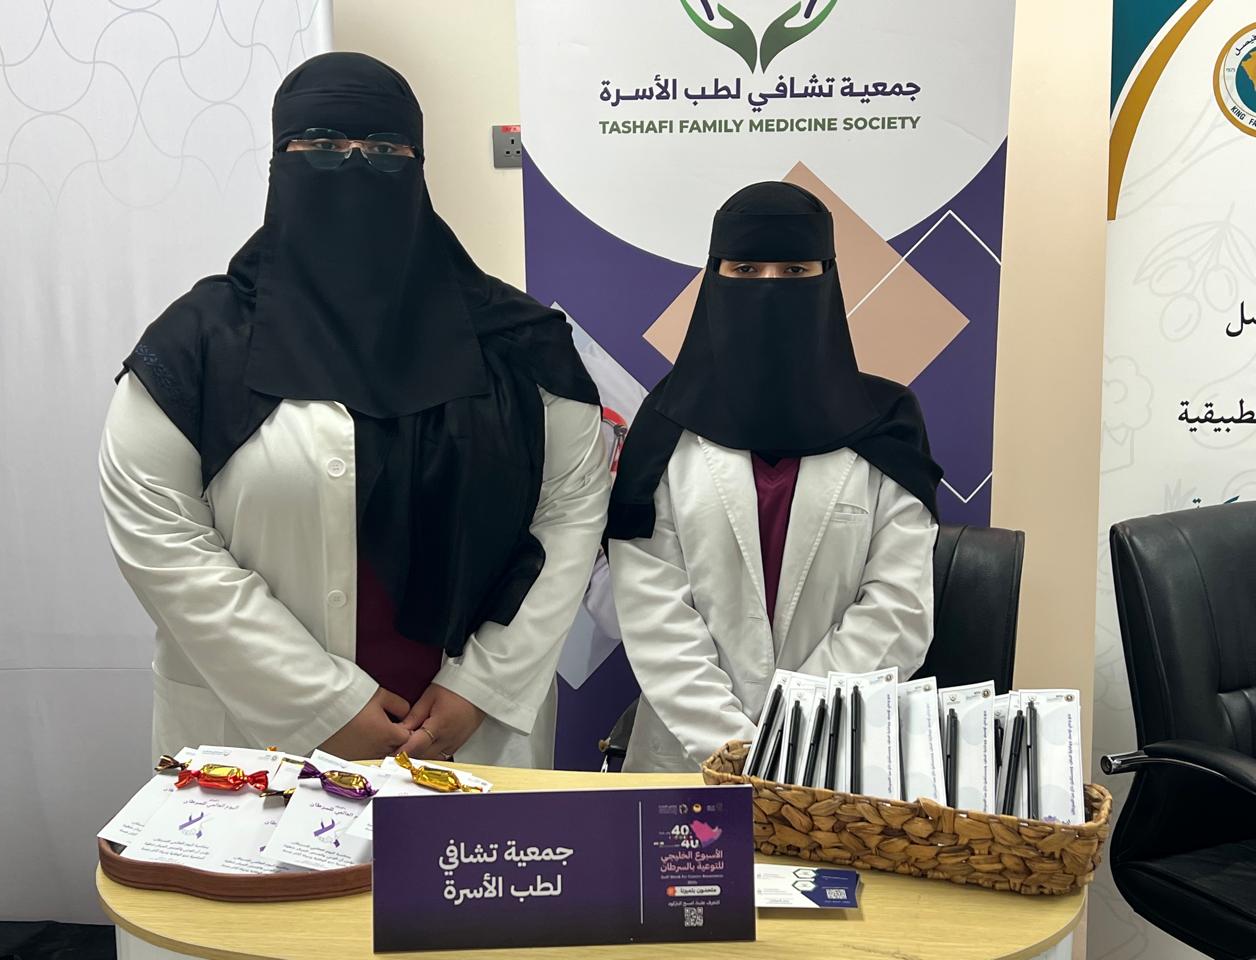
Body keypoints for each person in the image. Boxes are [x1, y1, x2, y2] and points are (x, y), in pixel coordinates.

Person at [99, 53, 609, 769]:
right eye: (323, 146)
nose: (356, 165)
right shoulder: (197, 347)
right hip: (259, 740)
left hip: (464, 733)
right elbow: (161, 537)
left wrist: (482, 688)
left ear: (420, 166)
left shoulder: (517, 344)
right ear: (278, 163)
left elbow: (569, 514)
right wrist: (321, 705)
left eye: (385, 149)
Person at [606, 182, 942, 773]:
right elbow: (652, 606)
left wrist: (792, 732)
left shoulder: (885, 424)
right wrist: (733, 749)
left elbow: (898, 607)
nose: (769, 286)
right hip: (689, 756)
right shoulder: (666, 426)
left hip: (832, 752)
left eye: (793, 270)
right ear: (715, 278)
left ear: (827, 279)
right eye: (745, 269)